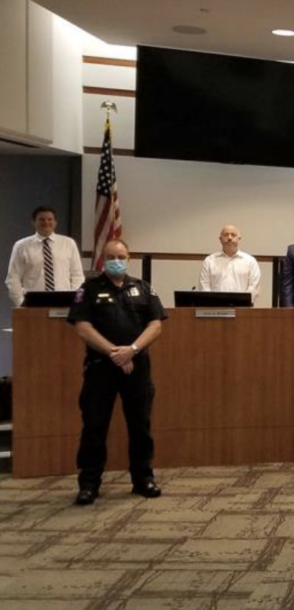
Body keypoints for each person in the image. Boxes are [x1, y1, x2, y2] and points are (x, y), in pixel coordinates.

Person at [66, 239, 166, 505]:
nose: (116, 260)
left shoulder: (142, 288)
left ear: (128, 257)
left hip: (137, 367)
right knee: (95, 426)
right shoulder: (89, 288)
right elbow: (82, 327)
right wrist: (114, 353)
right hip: (101, 368)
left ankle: (143, 479)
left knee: (140, 425)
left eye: (121, 256)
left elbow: (156, 325)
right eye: (111, 256)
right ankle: (89, 484)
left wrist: (131, 350)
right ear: (103, 259)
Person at [6, 205, 85, 306]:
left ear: (55, 222)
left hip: (63, 302)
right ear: (34, 222)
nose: (46, 222)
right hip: (33, 302)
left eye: (50, 219)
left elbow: (77, 275)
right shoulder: (21, 246)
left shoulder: (69, 243)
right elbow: (13, 278)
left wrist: (72, 298)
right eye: (41, 219)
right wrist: (21, 302)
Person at [198, 224, 261, 298]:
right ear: (220, 239)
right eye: (226, 235)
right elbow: (204, 286)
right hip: (214, 308)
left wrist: (243, 303)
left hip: (242, 308)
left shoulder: (250, 261)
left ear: (239, 238)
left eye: (233, 235)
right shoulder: (209, 261)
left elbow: (254, 286)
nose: (229, 238)